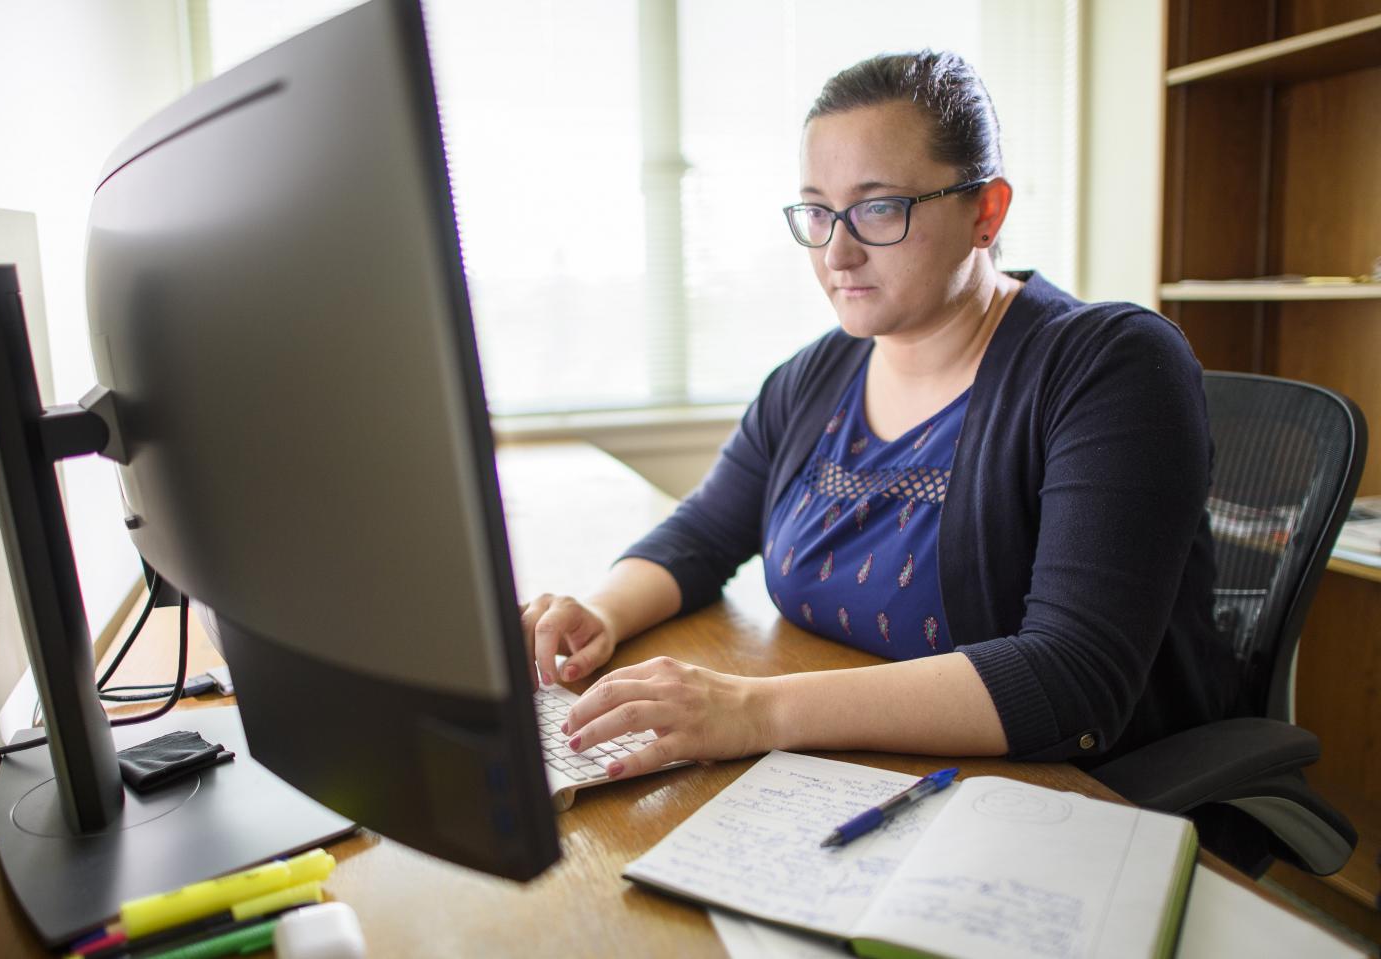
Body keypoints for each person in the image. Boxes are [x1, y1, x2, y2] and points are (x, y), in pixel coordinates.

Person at [520, 50, 1236, 781]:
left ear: (985, 212)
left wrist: (757, 709)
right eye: (818, 211)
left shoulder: (1109, 365)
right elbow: (701, 534)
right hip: (868, 768)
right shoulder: (813, 376)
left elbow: (1072, 677)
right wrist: (600, 614)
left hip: (1071, 796)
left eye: (878, 207)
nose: (838, 251)